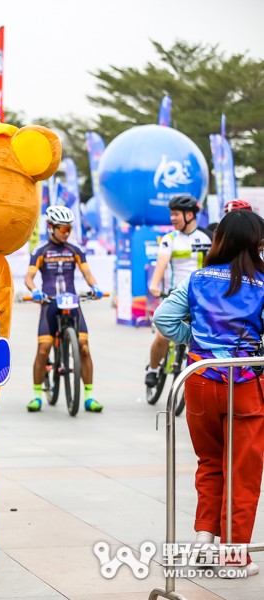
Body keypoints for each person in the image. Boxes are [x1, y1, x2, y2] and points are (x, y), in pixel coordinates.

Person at [153, 209, 264, 578]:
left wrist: (198, 343)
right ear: (256, 244)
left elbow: (164, 320)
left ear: (219, 241)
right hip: (244, 385)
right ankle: (234, 558)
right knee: (243, 472)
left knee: (210, 462)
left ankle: (203, 542)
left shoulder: (197, 279)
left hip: (198, 381)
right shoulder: (263, 283)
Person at [25, 205, 105, 413]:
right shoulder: (41, 250)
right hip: (49, 303)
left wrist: (94, 286)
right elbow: (29, 277)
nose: (67, 232)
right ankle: (37, 396)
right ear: (51, 227)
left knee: (84, 347)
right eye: (63, 229)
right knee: (43, 349)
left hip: (72, 302)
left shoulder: (75, 250)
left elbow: (87, 272)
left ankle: (88, 397)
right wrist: (34, 290)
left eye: (69, 228)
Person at [146, 195, 212, 389]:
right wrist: (155, 284)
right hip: (175, 294)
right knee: (162, 336)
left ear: (189, 214)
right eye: (171, 214)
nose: (172, 218)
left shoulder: (207, 237)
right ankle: (152, 368)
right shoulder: (170, 239)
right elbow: (162, 263)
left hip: (201, 298)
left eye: (176, 214)